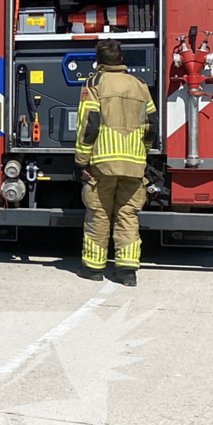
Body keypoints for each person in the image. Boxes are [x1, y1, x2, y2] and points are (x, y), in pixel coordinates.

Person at [75, 39, 158, 286]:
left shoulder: (94, 84)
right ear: (122, 59)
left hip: (102, 163)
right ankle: (127, 271)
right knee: (128, 214)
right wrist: (141, 152)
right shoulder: (140, 85)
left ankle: (93, 268)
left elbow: (89, 125)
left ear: (98, 61)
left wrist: (81, 161)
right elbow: (152, 126)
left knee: (99, 213)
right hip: (134, 164)